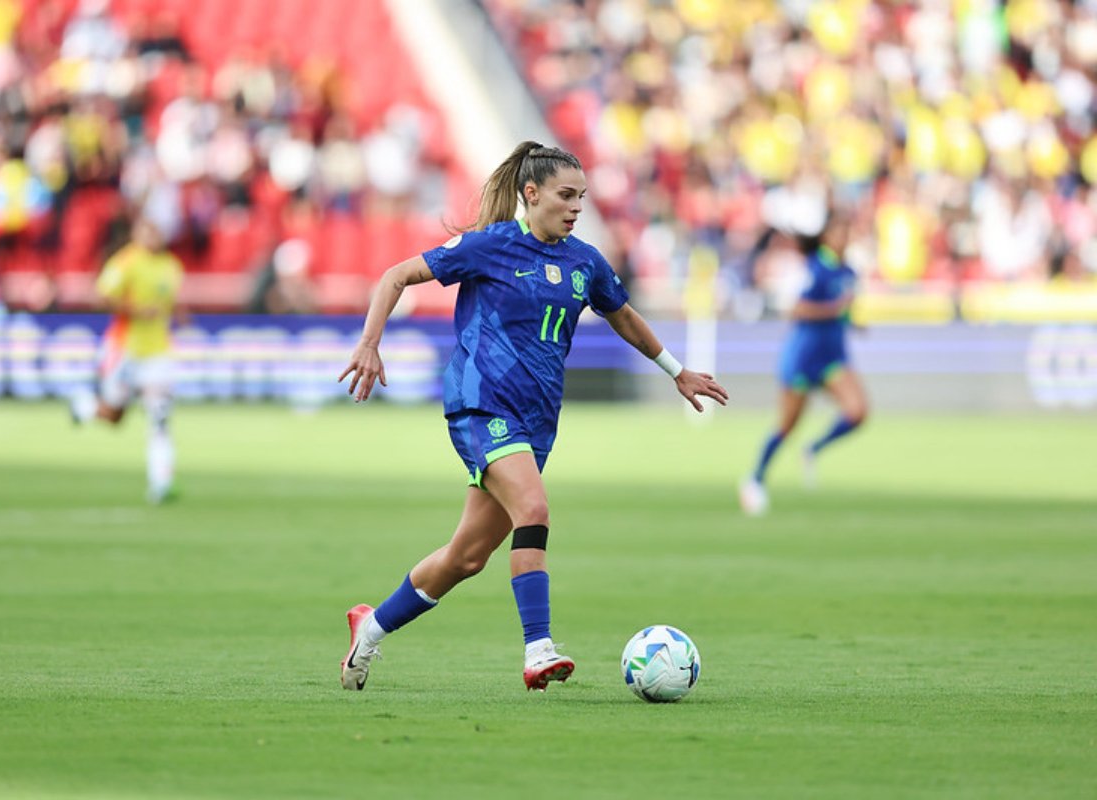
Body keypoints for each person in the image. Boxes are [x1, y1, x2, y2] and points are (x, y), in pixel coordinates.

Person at [336, 141, 729, 692]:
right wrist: (369, 343)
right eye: (566, 196)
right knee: (535, 506)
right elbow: (395, 277)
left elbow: (624, 317)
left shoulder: (584, 262)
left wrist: (676, 371)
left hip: (536, 422)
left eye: (582, 198)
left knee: (467, 557)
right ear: (531, 193)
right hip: (481, 406)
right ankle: (538, 649)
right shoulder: (488, 247)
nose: (575, 207)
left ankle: (370, 628)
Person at [739, 213, 867, 516]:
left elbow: (843, 312)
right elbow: (797, 310)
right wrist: (835, 310)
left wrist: (853, 322)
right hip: (802, 359)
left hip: (833, 357)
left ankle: (814, 450)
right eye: (839, 232)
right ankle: (754, 479)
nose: (844, 238)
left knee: (858, 412)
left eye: (847, 232)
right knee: (786, 426)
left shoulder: (849, 271)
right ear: (826, 237)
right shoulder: (814, 269)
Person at [69, 216, 184, 504]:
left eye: (156, 230)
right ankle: (85, 406)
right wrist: (134, 310)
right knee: (115, 415)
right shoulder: (126, 262)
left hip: (158, 352)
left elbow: (168, 304)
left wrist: (179, 314)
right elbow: (101, 296)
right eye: (147, 230)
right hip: (124, 350)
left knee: (159, 418)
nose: (152, 236)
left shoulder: (172, 266)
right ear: (136, 233)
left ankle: (161, 483)